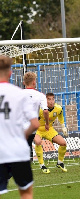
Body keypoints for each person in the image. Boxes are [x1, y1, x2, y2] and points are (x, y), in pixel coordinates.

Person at [0, 55, 40, 199]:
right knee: (26, 193)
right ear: (10, 73)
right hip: (17, 150)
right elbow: (35, 123)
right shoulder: (19, 94)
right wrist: (22, 136)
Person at [34, 92, 69, 173]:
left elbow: (60, 115)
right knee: (38, 142)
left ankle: (60, 162)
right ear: (45, 101)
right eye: (49, 99)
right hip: (37, 130)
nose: (51, 101)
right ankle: (42, 165)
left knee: (63, 143)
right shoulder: (39, 110)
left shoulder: (58, 108)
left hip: (49, 129)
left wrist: (63, 126)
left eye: (53, 99)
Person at [23, 71, 49, 162]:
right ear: (34, 82)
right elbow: (45, 111)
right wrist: (47, 123)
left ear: (24, 82)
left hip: (18, 125)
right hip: (32, 125)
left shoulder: (18, 93)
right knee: (28, 143)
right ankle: (27, 166)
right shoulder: (40, 95)